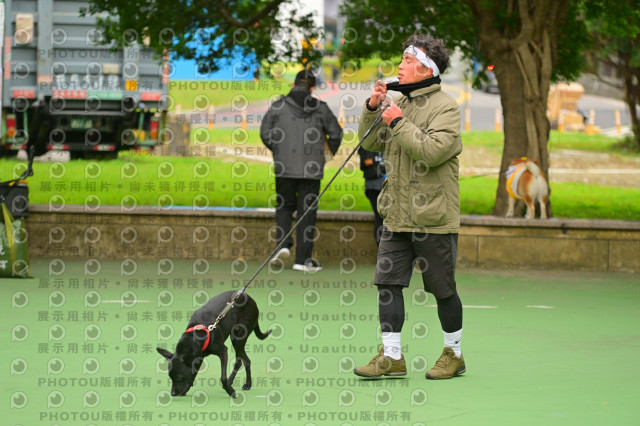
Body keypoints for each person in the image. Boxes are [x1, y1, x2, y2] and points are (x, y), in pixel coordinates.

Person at [353, 34, 465, 380]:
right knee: (387, 284)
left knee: (442, 290)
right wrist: (373, 108)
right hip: (396, 214)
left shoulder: (447, 107)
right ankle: (392, 356)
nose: (400, 66)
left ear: (426, 69)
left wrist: (398, 121)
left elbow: (432, 152)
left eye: (407, 60)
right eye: (401, 59)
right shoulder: (398, 100)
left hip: (433, 217)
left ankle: (454, 354)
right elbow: (370, 142)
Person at [260, 69, 343, 272]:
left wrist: (279, 151)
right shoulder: (321, 108)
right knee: (307, 212)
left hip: (284, 167)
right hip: (312, 169)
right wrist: (325, 156)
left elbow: (264, 132)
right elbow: (336, 133)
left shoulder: (278, 106)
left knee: (284, 206)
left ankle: (283, 244)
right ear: (312, 88)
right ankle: (302, 259)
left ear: (293, 84)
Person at [358, 147, 385, 245]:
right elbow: (366, 162)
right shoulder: (368, 144)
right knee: (380, 217)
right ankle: (381, 247)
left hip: (382, 185)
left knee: (383, 217)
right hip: (374, 187)